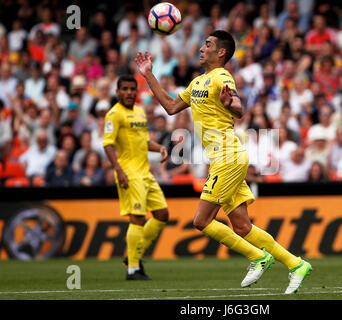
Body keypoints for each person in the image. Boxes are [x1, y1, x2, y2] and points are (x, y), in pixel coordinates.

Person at [135, 30, 312, 294]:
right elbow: (171, 107)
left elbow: (240, 109)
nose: (201, 48)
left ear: (220, 53)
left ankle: (258, 257)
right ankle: (296, 264)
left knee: (201, 221)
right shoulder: (197, 83)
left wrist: (231, 105)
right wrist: (148, 74)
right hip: (223, 159)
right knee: (242, 226)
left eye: (207, 44)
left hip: (228, 156)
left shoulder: (222, 77)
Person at [103, 75, 170, 280]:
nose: (130, 92)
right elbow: (108, 144)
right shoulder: (114, 115)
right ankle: (133, 269)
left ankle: (133, 255)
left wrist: (159, 148)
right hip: (129, 174)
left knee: (162, 214)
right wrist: (119, 170)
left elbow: (144, 142)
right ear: (118, 92)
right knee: (138, 218)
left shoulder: (140, 113)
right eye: (125, 89)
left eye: (133, 89)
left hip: (145, 174)